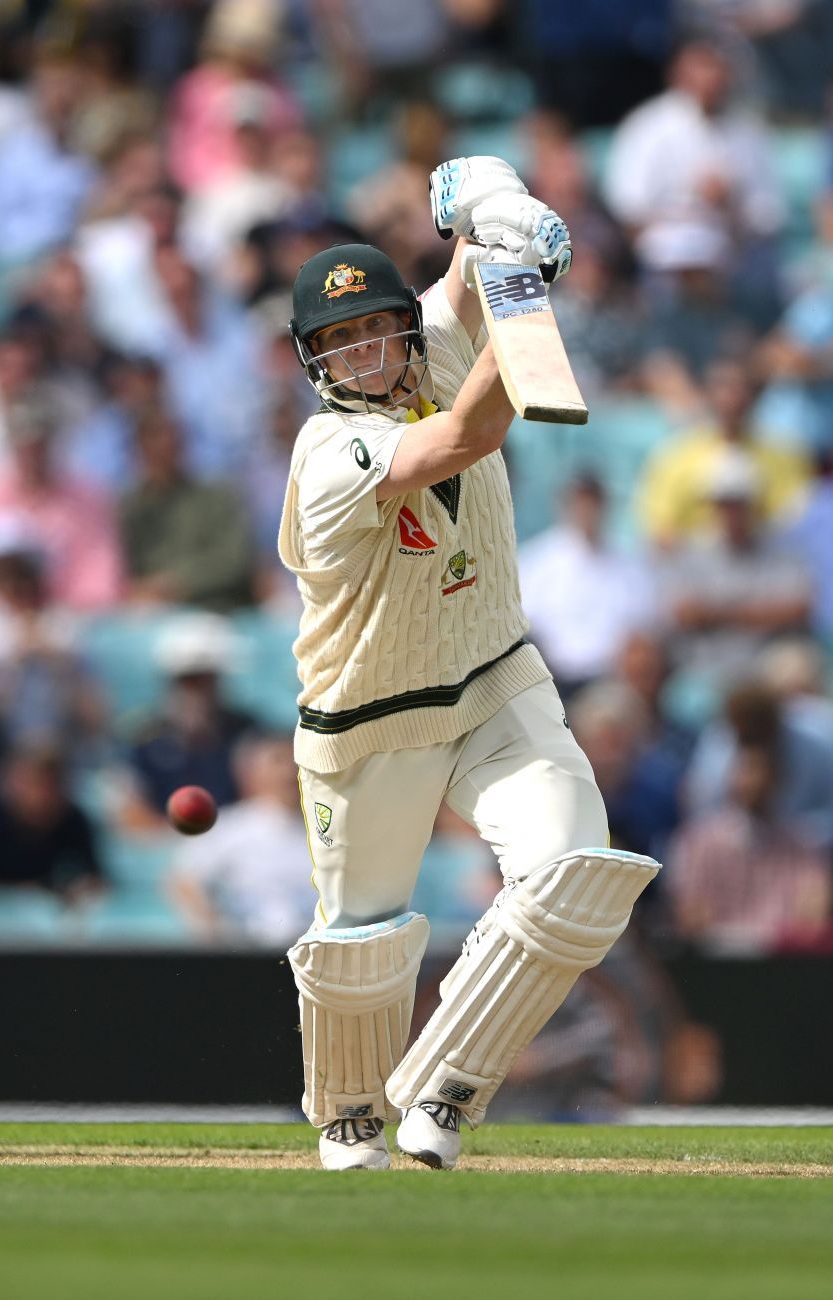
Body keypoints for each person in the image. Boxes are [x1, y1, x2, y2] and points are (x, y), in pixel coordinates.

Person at [278, 158, 659, 1172]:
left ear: (402, 326)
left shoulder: (438, 337)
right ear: (314, 362)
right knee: (360, 950)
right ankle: (353, 1107)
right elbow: (464, 433)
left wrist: (497, 218)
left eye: (375, 329)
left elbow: (474, 215)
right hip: (370, 714)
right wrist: (515, 288)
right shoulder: (327, 453)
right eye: (338, 341)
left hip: (493, 673)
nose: (363, 354)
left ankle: (446, 1087)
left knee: (575, 873)